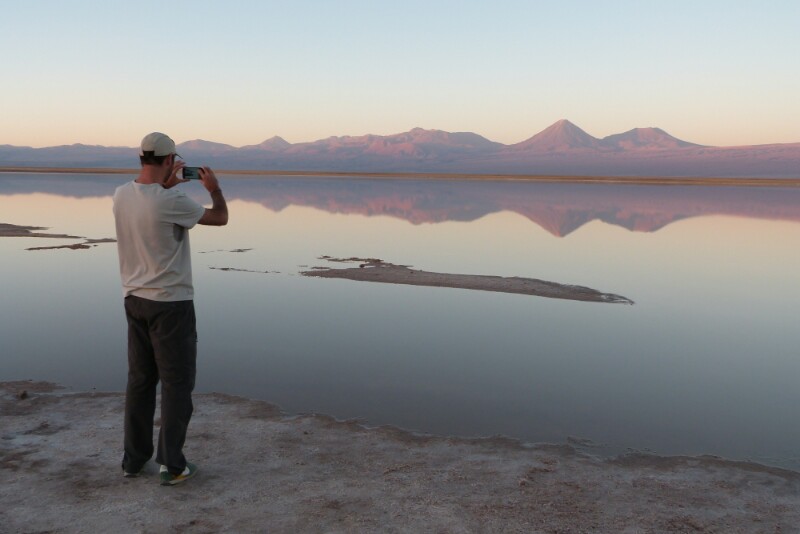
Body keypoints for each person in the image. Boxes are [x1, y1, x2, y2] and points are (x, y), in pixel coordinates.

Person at [113, 132, 228, 486]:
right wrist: (214, 190)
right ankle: (172, 465)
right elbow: (219, 218)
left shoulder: (121, 195)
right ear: (168, 161)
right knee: (177, 385)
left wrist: (165, 186)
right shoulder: (171, 201)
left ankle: (134, 460)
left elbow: (149, 204)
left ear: (140, 159)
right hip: (171, 304)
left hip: (135, 300)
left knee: (141, 381)